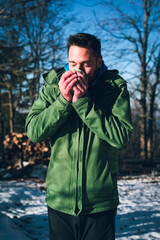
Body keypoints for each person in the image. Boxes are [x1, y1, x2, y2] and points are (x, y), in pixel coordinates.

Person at [25, 33, 133, 240]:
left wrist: (83, 103)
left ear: (99, 61)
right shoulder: (52, 86)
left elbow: (121, 137)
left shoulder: (115, 88)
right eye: (73, 63)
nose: (77, 71)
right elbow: (34, 132)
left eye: (86, 64)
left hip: (99, 202)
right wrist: (63, 102)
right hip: (60, 200)